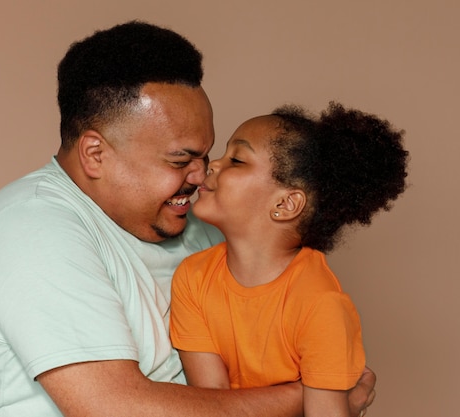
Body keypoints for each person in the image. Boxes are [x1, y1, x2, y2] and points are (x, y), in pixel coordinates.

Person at [0, 20, 376, 417]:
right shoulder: (31, 229)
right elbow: (115, 408)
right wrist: (314, 394)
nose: (201, 174)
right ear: (95, 154)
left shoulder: (205, 229)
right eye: (180, 159)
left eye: (207, 154)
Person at [170, 102, 408, 417]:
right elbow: (212, 405)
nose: (212, 164)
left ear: (285, 203)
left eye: (237, 160)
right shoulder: (192, 277)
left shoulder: (320, 303)